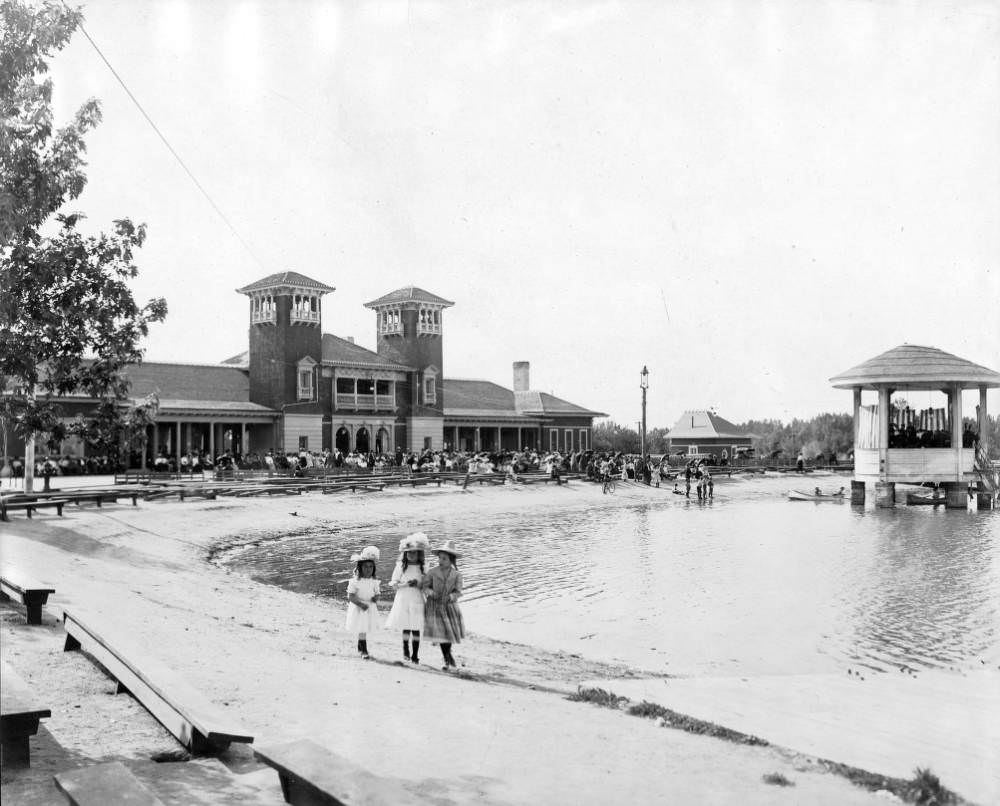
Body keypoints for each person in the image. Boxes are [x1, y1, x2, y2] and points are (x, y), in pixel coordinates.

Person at [384, 533, 430, 664]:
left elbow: (427, 585)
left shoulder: (424, 567)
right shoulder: (400, 566)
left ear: (419, 553)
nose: (411, 555)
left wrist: (419, 584)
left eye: (414, 552)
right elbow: (394, 583)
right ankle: (405, 648)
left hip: (416, 599)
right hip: (403, 598)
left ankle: (415, 654)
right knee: (406, 626)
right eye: (408, 552)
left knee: (416, 627)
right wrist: (405, 584)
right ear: (404, 553)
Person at [421, 539, 465, 671]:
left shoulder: (457, 575)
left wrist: (451, 597)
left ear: (451, 560)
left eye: (444, 558)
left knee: (449, 632)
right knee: (441, 633)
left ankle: (448, 653)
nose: (440, 561)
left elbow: (458, 592)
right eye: (439, 558)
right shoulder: (433, 572)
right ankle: (446, 658)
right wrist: (432, 593)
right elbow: (424, 586)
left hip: (450, 607)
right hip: (435, 606)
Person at [344, 546, 381, 659]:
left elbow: (377, 593)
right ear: (360, 567)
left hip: (369, 607)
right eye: (365, 566)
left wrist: (376, 598)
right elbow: (350, 596)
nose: (368, 569)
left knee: (364, 628)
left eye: (370, 567)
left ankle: (360, 647)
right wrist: (360, 604)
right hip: (359, 607)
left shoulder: (374, 581)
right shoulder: (355, 581)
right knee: (362, 629)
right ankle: (364, 650)